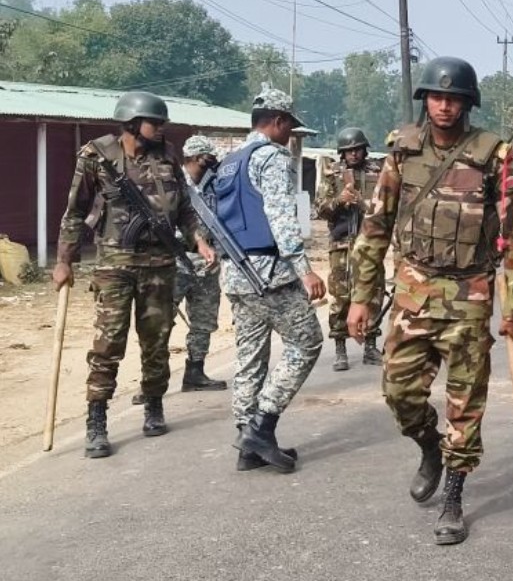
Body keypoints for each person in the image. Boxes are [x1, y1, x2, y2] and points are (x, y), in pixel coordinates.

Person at [346, 56, 513, 546]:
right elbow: (375, 226)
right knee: (399, 393)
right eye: (437, 97)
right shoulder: (402, 153)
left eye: (454, 99)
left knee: (465, 404)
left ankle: (453, 496)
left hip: (470, 297)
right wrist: (361, 298)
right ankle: (429, 445)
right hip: (412, 293)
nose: (444, 106)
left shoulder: (495, 155)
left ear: (468, 103)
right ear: (425, 100)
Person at [54, 91, 216, 459]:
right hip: (114, 265)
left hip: (159, 264)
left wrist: (199, 240)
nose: (160, 129)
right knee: (108, 345)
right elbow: (75, 211)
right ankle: (96, 421)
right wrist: (65, 260)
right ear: (131, 122)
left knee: (157, 340)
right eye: (154, 123)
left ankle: (154, 405)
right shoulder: (97, 156)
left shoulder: (168, 157)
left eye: (161, 124)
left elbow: (186, 210)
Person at [215, 85, 326, 473]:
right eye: (289, 127)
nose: (290, 135)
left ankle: (248, 446)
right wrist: (305, 269)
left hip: (236, 274)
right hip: (270, 274)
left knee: (249, 359)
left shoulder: (230, 161)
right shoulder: (271, 159)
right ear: (277, 122)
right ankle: (261, 428)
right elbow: (281, 217)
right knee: (307, 343)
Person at [316, 127, 383, 371]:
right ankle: (340, 349)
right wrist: (339, 201)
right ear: (342, 153)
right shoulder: (333, 174)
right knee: (341, 297)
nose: (353, 154)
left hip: (370, 243)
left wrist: (364, 205)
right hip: (341, 244)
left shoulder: (378, 172)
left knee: (373, 293)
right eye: (348, 151)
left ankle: (371, 346)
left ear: (365, 149)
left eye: (357, 149)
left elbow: (386, 205)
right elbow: (320, 209)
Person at [170, 135, 229, 392]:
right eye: (208, 159)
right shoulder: (173, 185)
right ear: (194, 158)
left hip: (207, 262)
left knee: (203, 319)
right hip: (177, 260)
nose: (211, 164)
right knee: (160, 321)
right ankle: (152, 381)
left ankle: (195, 372)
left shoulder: (213, 186)